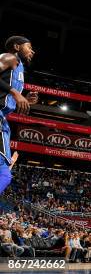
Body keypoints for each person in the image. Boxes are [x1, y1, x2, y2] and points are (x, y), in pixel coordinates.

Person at [0, 36, 37, 195]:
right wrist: (15, 92)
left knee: (5, 174)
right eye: (29, 47)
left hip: (3, 120)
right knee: (4, 174)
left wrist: (24, 99)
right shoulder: (8, 57)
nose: (32, 51)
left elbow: (4, 99)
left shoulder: (20, 67)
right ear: (16, 46)